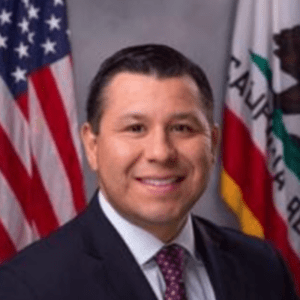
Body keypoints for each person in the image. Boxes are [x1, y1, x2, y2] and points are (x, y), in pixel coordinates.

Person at [0, 44, 298, 300]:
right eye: (135, 128)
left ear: (213, 143)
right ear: (92, 145)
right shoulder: (28, 288)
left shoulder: (264, 266)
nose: (161, 152)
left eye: (182, 128)